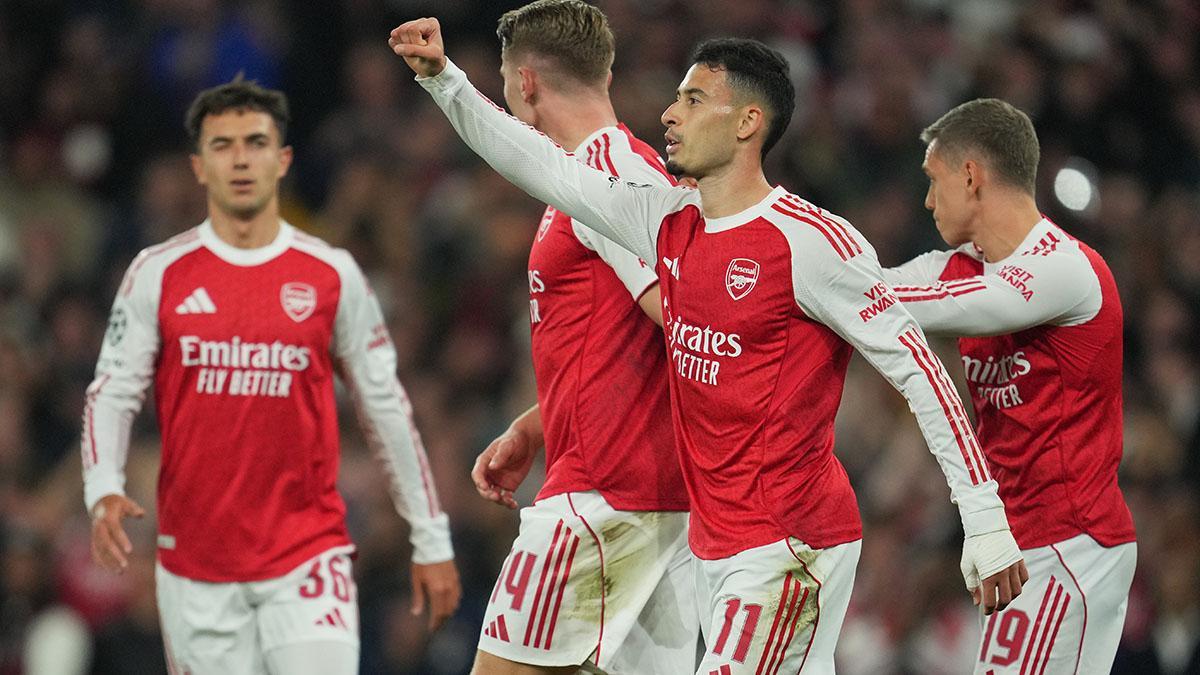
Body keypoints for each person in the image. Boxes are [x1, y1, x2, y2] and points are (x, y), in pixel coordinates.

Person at [390, 20, 1028, 674]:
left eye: (693, 100)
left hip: (791, 542)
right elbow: (536, 161)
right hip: (712, 544)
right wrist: (445, 80)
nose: (669, 113)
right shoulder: (661, 220)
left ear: (748, 122)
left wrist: (985, 520)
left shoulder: (811, 244)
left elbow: (921, 372)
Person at [82, 77, 461, 674]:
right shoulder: (157, 274)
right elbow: (113, 390)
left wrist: (430, 536)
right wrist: (102, 485)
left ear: (282, 159)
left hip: (308, 555)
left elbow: (386, 407)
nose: (240, 158)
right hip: (196, 565)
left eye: (255, 142)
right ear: (198, 166)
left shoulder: (332, 274)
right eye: (222, 144)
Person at [466, 3, 695, 674]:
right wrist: (538, 426)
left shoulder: (610, 173)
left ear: (524, 83)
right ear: (609, 70)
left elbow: (688, 320)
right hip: (643, 498)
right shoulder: (598, 170)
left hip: (603, 498)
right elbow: (640, 338)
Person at [881, 98, 1137, 675]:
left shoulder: (1066, 269)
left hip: (1071, 542)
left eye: (934, 179)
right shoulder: (953, 266)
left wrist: (830, 288)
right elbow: (866, 284)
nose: (927, 200)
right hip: (1018, 545)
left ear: (970, 175)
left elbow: (909, 305)